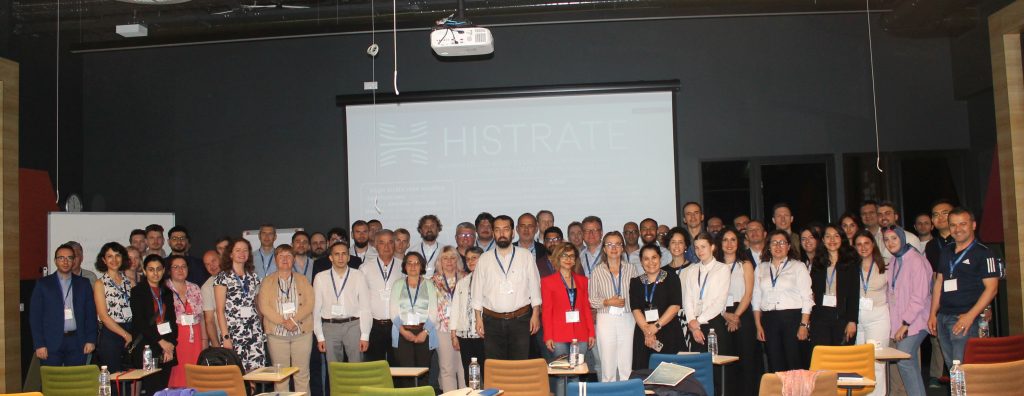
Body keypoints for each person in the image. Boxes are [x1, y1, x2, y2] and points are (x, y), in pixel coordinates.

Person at [928, 208, 999, 368]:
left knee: (965, 370)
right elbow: (939, 282)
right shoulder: (946, 251)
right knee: (954, 371)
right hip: (944, 317)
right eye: (953, 225)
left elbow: (992, 289)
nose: (957, 229)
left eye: (962, 224)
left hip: (966, 318)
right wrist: (933, 313)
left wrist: (970, 316)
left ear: (973, 225)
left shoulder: (984, 253)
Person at [471, 215, 543, 360]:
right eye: (497, 230)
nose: (502, 234)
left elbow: (535, 286)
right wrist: (478, 318)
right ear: (493, 232)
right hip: (491, 321)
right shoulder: (485, 259)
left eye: (505, 229)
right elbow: (477, 290)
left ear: (512, 232)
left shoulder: (525, 255)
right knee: (495, 366)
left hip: (520, 320)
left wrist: (535, 315)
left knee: (519, 366)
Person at [753, 230, 813, 372]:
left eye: (782, 242)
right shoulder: (761, 268)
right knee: (775, 364)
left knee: (794, 363)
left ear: (789, 246)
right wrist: (758, 325)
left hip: (792, 319)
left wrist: (804, 325)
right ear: (768, 246)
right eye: (774, 242)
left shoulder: (798, 266)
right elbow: (756, 297)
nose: (778, 246)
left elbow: (807, 297)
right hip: (769, 320)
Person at [259, 244, 315, 392]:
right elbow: (264, 306)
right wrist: (283, 322)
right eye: (281, 256)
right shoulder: (266, 281)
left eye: (288, 256)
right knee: (280, 376)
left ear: (294, 259)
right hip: (277, 333)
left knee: (302, 374)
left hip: (302, 333)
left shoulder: (303, 279)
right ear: (275, 260)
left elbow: (310, 304)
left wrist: (293, 320)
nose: (285, 259)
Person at [883, 226, 932, 396]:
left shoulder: (916, 260)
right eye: (886, 240)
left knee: (904, 359)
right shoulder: (894, 261)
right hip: (903, 322)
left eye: (894, 238)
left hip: (917, 321)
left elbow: (920, 296)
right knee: (908, 363)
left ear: (903, 239)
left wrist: (905, 324)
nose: (890, 243)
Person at [542, 242, 595, 396]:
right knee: (561, 375)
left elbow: (586, 307)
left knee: (576, 373)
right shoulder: (547, 281)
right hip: (558, 335)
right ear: (558, 258)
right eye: (564, 255)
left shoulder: (582, 280)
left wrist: (591, 332)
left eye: (571, 256)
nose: (568, 259)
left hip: (581, 333)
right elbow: (547, 311)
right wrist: (548, 336)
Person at [31, 244, 97, 366]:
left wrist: (91, 339)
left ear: (74, 261)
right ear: (55, 261)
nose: (65, 262)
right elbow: (35, 317)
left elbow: (91, 314)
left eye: (69, 258)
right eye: (61, 258)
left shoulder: (83, 284)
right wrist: (39, 344)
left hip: (77, 341)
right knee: (52, 382)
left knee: (75, 381)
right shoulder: (43, 284)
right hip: (51, 342)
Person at [716, 228, 761, 396]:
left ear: (738, 242)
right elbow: (713, 296)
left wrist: (736, 316)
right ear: (720, 244)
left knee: (746, 360)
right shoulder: (715, 265)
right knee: (727, 360)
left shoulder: (746, 263)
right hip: (721, 314)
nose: (729, 244)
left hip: (742, 314)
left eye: (733, 240)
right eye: (725, 240)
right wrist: (724, 314)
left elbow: (748, 293)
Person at [589, 232, 639, 382]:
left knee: (626, 364)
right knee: (607, 364)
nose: (614, 248)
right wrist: (607, 302)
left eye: (618, 244)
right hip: (606, 317)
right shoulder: (597, 271)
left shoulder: (631, 269)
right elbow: (592, 299)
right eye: (609, 244)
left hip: (628, 317)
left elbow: (637, 296)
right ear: (604, 249)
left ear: (622, 248)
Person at [215, 238, 266, 372]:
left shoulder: (253, 277)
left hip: (253, 331)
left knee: (255, 372)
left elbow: (257, 305)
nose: (242, 253)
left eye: (245, 250)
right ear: (230, 254)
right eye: (238, 250)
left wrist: (261, 328)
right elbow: (219, 311)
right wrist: (225, 337)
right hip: (233, 333)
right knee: (236, 373)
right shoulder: (222, 277)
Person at [630, 245, 683, 369]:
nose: (650, 262)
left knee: (670, 375)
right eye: (646, 259)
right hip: (644, 335)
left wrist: (656, 326)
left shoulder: (672, 278)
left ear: (660, 258)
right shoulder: (636, 282)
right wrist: (647, 331)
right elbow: (636, 309)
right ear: (641, 262)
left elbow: (675, 306)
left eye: (654, 257)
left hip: (668, 331)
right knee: (645, 375)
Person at [130, 255, 177, 395]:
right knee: (153, 389)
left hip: (166, 349)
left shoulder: (167, 292)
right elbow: (140, 322)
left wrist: (170, 345)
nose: (155, 273)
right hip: (148, 347)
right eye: (151, 269)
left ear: (163, 271)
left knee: (163, 390)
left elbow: (172, 321)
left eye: (158, 269)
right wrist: (161, 341)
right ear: (144, 271)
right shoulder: (138, 291)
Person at [391, 252, 439, 386]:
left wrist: (425, 333)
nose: (413, 266)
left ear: (422, 266)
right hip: (402, 333)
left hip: (424, 333)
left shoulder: (429, 284)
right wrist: (403, 331)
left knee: (423, 373)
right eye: (409, 263)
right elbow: (393, 311)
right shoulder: (398, 284)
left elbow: (433, 311)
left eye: (417, 263)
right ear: (405, 266)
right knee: (407, 375)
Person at [853, 230, 890, 395]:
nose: (863, 247)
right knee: (859, 361)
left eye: (866, 243)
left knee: (876, 361)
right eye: (859, 244)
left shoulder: (886, 264)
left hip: (878, 316)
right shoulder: (851, 266)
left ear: (873, 244)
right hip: (858, 317)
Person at [809, 225, 859, 349]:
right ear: (823, 241)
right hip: (820, 319)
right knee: (824, 361)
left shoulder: (850, 263)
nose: (832, 240)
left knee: (842, 361)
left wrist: (852, 321)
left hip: (842, 318)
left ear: (842, 239)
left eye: (836, 236)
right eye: (828, 236)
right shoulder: (818, 263)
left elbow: (854, 294)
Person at [682, 233, 731, 356]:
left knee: (716, 366)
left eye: (703, 246)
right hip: (694, 325)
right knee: (699, 367)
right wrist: (693, 323)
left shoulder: (722, 269)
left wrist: (699, 321)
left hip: (713, 322)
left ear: (712, 247)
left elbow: (720, 302)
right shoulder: (692, 270)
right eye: (697, 247)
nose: (700, 251)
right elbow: (687, 299)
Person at [923, 199, 954, 385]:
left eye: (945, 212)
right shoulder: (931, 246)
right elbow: (935, 278)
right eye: (935, 214)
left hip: (966, 304)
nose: (940, 217)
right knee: (944, 345)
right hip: (942, 301)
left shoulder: (964, 240)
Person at [92, 242, 135, 373]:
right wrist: (125, 335)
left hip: (130, 330)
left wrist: (130, 334)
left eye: (117, 255)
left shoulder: (129, 282)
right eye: (109, 256)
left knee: (129, 376)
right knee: (114, 377)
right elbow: (104, 316)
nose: (114, 260)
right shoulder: (100, 283)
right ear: (104, 260)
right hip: (111, 334)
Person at [360, 229, 401, 364]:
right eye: (382, 243)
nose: (387, 246)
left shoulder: (403, 267)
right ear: (375, 245)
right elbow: (361, 300)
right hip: (374, 325)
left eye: (390, 242)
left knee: (398, 365)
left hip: (397, 325)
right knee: (375, 366)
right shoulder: (365, 268)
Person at [165, 255, 204, 387]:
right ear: (169, 270)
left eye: (183, 266)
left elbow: (202, 317)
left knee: (196, 373)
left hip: (195, 336)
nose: (180, 270)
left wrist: (204, 340)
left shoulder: (195, 288)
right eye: (176, 267)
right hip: (176, 337)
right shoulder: (164, 289)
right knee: (178, 373)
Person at [431, 247, 467, 392]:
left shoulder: (466, 278)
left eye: (453, 257)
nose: (449, 261)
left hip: (463, 328)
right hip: (443, 329)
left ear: (458, 260)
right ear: (439, 261)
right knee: (447, 367)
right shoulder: (432, 281)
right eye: (445, 258)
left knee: (464, 366)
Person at [449, 247, 485, 382]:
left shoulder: (490, 279)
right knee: (469, 374)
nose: (470, 261)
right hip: (465, 335)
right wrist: (453, 335)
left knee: (488, 373)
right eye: (468, 259)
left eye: (474, 258)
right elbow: (455, 310)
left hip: (484, 335)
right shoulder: (462, 282)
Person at [200, 250, 222, 348]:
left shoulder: (237, 277)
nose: (211, 266)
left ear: (221, 258)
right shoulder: (206, 287)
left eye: (214, 261)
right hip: (221, 339)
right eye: (207, 264)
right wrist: (215, 345)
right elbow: (209, 320)